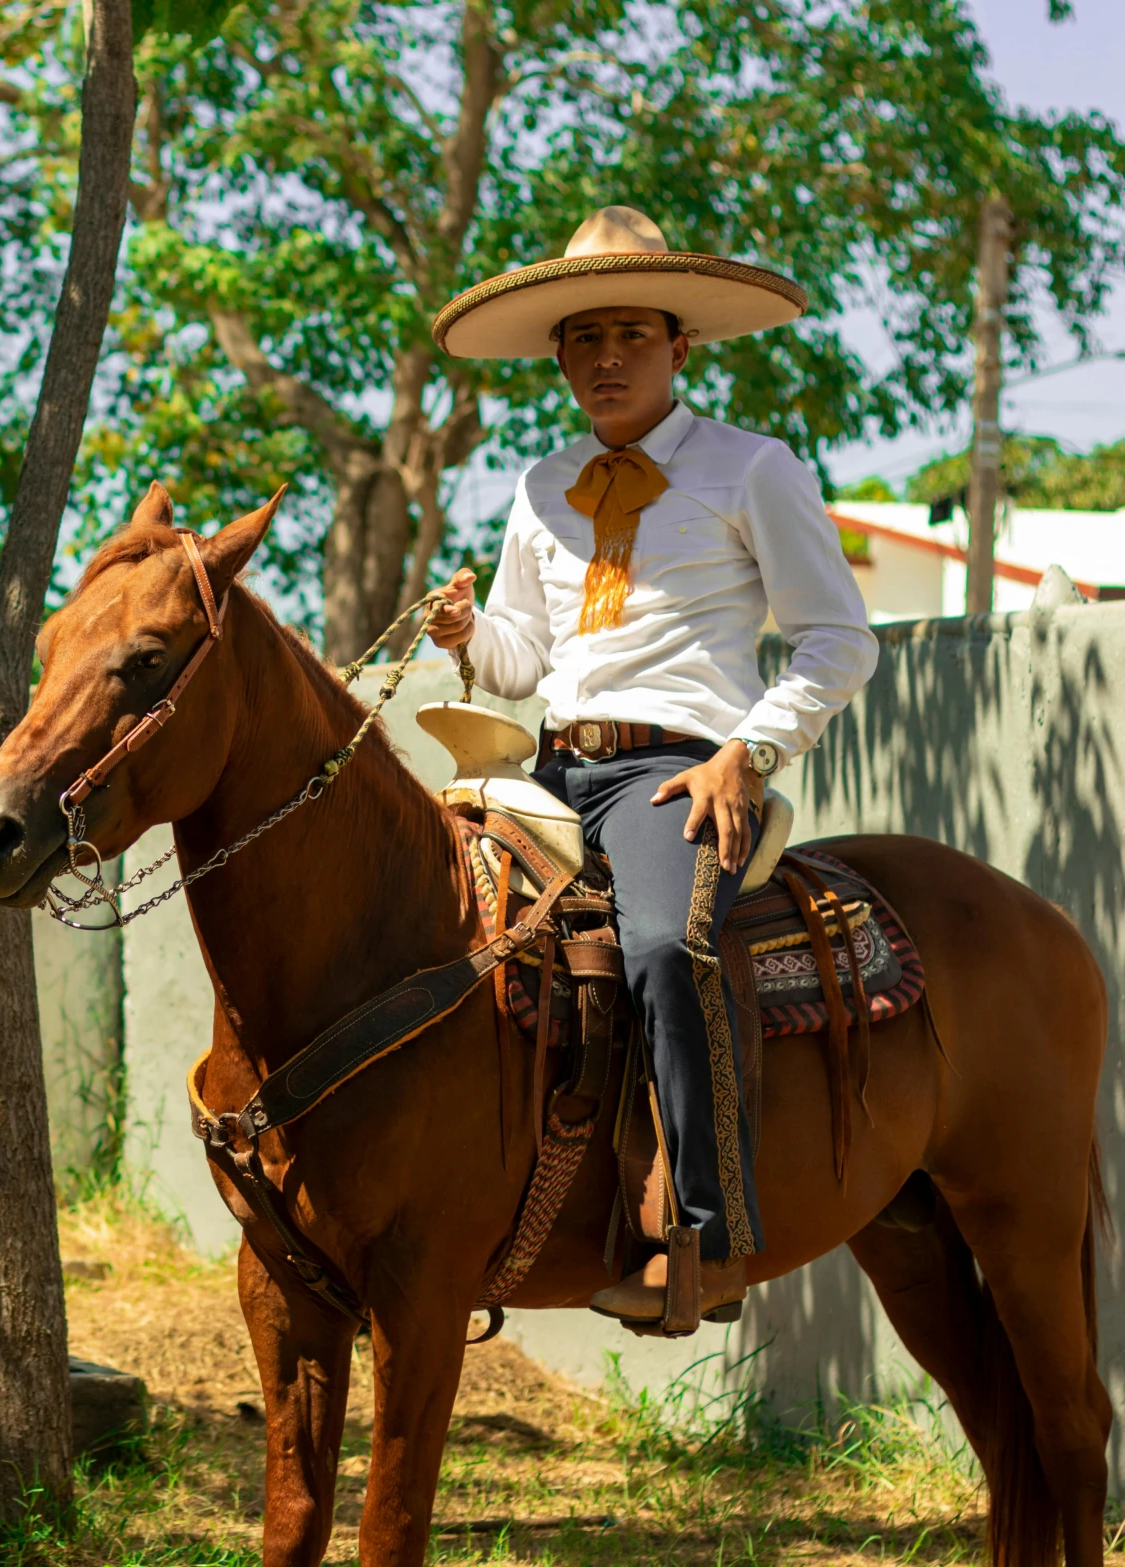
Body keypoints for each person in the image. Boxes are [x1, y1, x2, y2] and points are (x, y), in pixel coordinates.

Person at [425, 206, 879, 1324]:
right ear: (560, 356)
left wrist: (749, 751)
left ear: (680, 346)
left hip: (674, 770)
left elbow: (838, 637)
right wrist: (464, 638)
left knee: (666, 953)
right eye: (584, 338)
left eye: (632, 333)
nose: (607, 357)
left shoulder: (750, 468)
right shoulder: (540, 485)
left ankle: (707, 1235)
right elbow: (528, 657)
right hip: (547, 765)